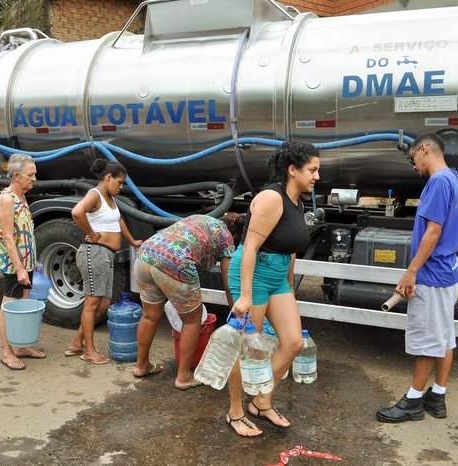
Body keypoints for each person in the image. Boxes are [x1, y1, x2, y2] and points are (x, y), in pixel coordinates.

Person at [227, 141, 320, 437]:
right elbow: (250, 247)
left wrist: (290, 285)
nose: (316, 176)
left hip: (278, 277)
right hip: (254, 275)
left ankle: (261, 401)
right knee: (248, 350)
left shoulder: (297, 201)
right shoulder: (271, 198)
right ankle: (235, 412)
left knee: (293, 342)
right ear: (292, 170)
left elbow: (290, 248)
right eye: (312, 170)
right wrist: (244, 294)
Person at [376, 133, 458, 423]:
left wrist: (411, 271)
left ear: (424, 150)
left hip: (432, 274)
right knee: (443, 337)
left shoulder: (438, 182)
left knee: (428, 340)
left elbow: (433, 231)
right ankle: (437, 396)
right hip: (449, 271)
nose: (413, 163)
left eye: (413, 156)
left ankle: (413, 401)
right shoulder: (454, 178)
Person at [132, 213, 244, 386]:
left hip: (145, 255)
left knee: (149, 315)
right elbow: (229, 282)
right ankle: (183, 377)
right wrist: (236, 310)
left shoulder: (201, 218)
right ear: (235, 234)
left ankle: (142, 366)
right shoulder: (226, 237)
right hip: (175, 262)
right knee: (192, 320)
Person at [65, 160, 143, 365]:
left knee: (105, 303)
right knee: (92, 304)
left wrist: (133, 240)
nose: (121, 186)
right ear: (108, 177)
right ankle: (89, 351)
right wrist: (91, 233)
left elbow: (118, 221)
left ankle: (76, 343)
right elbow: (76, 212)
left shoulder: (110, 198)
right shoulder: (95, 194)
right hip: (94, 252)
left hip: (106, 255)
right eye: (119, 182)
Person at [0, 154, 46, 370]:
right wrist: (20, 268)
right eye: (30, 175)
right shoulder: (7, 199)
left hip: (25, 261)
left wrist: (32, 261)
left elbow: (25, 233)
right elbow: (7, 237)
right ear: (16, 176)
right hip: (13, 263)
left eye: (34, 174)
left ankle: (21, 347)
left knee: (23, 303)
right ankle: (7, 352)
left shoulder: (21, 197)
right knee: (9, 305)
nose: (34, 179)